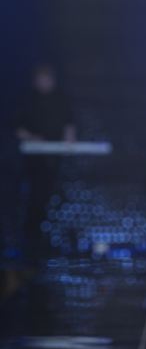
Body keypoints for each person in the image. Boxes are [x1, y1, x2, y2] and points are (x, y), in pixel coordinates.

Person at [15, 64, 76, 257]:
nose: (44, 83)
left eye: (47, 79)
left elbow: (69, 122)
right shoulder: (28, 100)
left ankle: (42, 237)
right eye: (41, 79)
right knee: (35, 196)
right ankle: (30, 238)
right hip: (33, 159)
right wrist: (32, 138)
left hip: (54, 157)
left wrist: (69, 137)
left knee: (49, 195)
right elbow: (17, 127)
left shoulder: (61, 100)